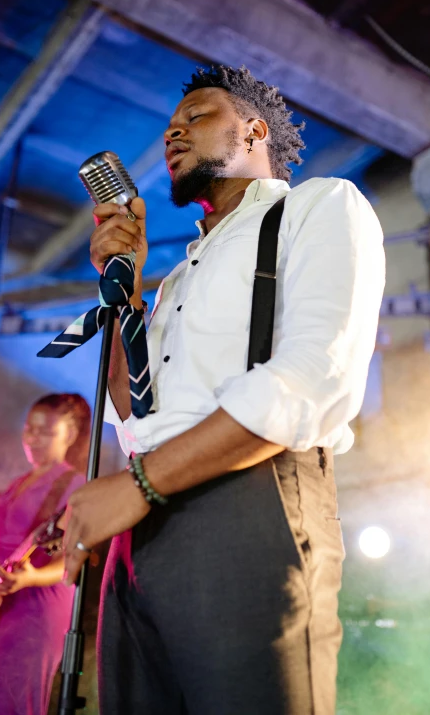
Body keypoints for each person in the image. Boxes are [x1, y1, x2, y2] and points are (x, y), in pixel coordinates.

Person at [62, 65, 386, 715]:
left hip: (248, 502)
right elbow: (136, 411)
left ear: (253, 129)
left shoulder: (319, 205)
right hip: (143, 525)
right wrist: (125, 294)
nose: (172, 133)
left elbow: (309, 377)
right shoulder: (177, 279)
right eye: (169, 127)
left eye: (196, 117)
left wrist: (138, 484)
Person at [0, 393, 90, 715]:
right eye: (29, 428)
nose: (33, 438)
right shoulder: (20, 481)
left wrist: (33, 576)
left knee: (9, 703)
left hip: (35, 607)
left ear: (70, 435)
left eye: (45, 432)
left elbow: (76, 555)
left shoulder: (75, 484)